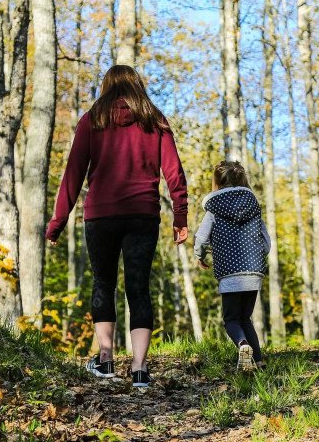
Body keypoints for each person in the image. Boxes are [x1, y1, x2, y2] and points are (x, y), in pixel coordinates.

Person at [46, 65, 188, 388]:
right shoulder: (156, 120)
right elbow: (174, 172)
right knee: (138, 287)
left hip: (101, 215)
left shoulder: (92, 120)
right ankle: (140, 369)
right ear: (137, 86)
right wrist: (181, 216)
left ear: (106, 87)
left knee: (103, 283)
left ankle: (106, 360)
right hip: (143, 214)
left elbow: (73, 175)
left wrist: (58, 222)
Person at [194, 161, 270, 372]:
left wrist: (200, 256)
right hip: (254, 271)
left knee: (230, 319)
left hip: (229, 273)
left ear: (217, 182)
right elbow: (266, 242)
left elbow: (201, 238)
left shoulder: (214, 209)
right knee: (245, 318)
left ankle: (242, 345)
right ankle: (259, 362)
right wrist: (256, 257)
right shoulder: (253, 206)